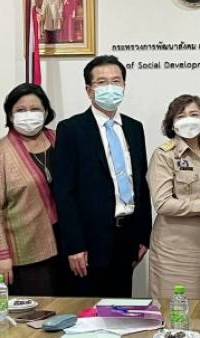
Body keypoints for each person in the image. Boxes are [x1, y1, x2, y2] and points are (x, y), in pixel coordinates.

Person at [54, 55, 152, 297]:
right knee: (88, 312)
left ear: (124, 86)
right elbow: (64, 193)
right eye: (101, 82)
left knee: (121, 310)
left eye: (116, 81)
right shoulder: (71, 130)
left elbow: (141, 184)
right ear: (89, 90)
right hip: (88, 243)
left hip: (127, 238)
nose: (110, 87)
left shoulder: (134, 128)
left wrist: (143, 236)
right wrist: (74, 245)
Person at [0, 83, 65, 296]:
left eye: (35, 109)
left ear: (46, 111)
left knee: (70, 306)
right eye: (21, 110)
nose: (29, 115)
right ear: (10, 114)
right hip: (26, 249)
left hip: (67, 244)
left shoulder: (62, 140)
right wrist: (0, 255)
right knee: (37, 308)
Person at [147, 94, 200, 299]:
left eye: (194, 114)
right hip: (174, 252)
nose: (188, 120)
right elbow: (163, 203)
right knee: (173, 311)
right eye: (181, 116)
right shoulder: (164, 155)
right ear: (172, 123)